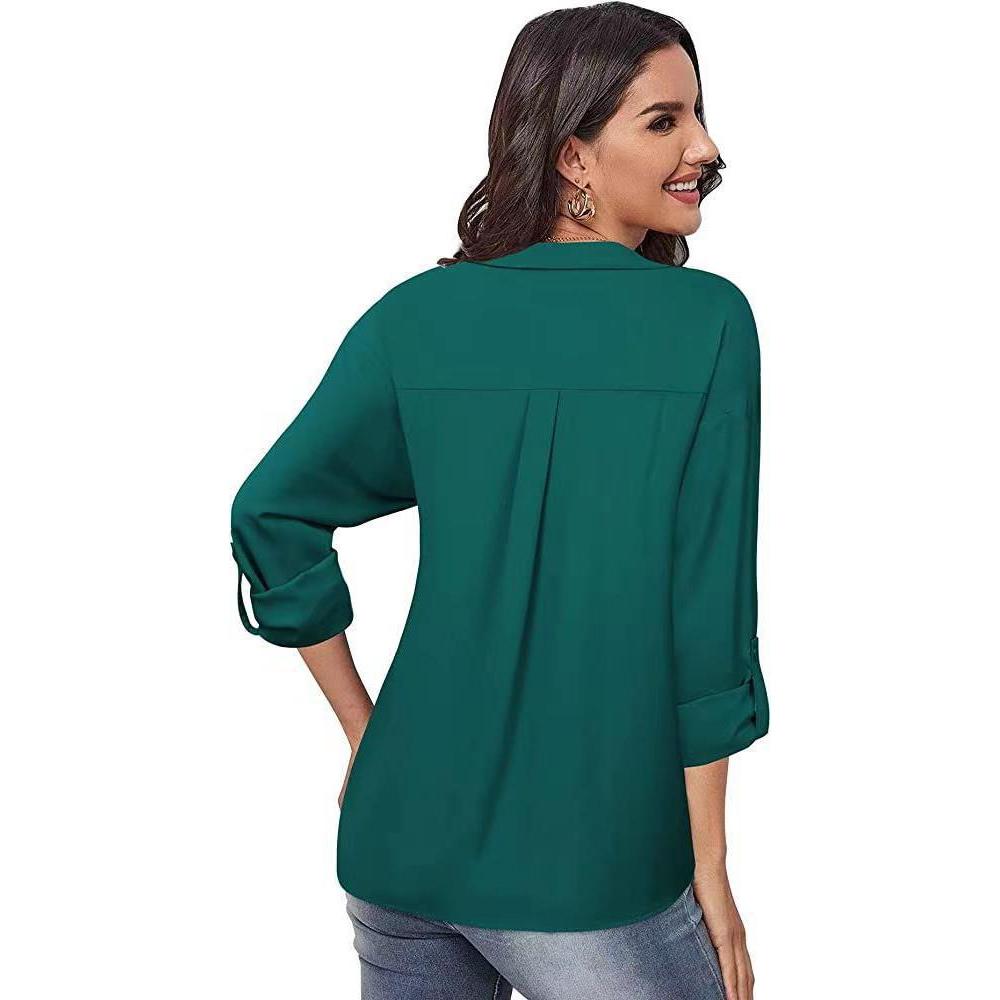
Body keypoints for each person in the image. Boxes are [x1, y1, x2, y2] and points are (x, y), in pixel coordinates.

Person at [229, 4, 769, 998]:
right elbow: (707, 629)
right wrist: (712, 871)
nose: (704, 146)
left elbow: (272, 512)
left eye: (698, 114)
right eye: (664, 121)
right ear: (573, 155)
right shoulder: (706, 323)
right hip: (588, 864)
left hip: (399, 840)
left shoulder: (417, 316)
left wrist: (368, 735)